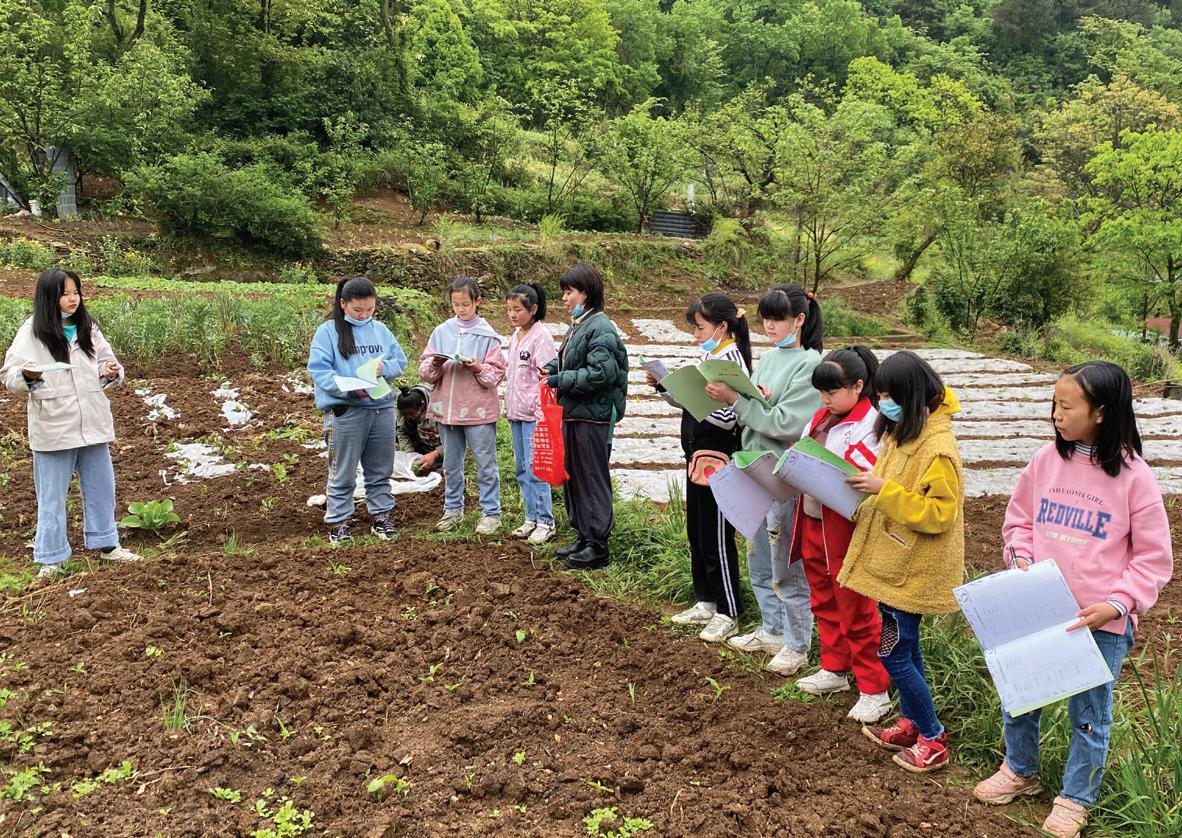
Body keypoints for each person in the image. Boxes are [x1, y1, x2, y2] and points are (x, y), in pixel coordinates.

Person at [972, 361, 1173, 838]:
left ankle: (1075, 798)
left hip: (1098, 621)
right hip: (1037, 610)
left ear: (1101, 412)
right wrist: (1019, 555)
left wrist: (1118, 604)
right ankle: (1019, 770)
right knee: (1020, 698)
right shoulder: (1046, 461)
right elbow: (1019, 520)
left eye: (1066, 405)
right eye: (1054, 404)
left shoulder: (1134, 477)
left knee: (1090, 714)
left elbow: (1153, 558)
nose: (1056, 414)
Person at [838, 350, 964, 774]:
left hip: (914, 569)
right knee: (908, 650)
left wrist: (882, 490)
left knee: (893, 653)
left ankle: (932, 735)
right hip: (893, 564)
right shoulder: (904, 432)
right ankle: (912, 722)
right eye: (880, 395)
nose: (882, 404)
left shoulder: (939, 450)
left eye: (890, 395)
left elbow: (939, 515)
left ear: (911, 395)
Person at [704, 283, 822, 677]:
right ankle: (771, 627)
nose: (769, 326)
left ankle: (796, 642)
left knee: (786, 558)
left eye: (778, 318)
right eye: (766, 319)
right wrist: (741, 398)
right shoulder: (771, 359)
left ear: (799, 319)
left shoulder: (809, 364)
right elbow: (759, 406)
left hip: (781, 473)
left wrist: (741, 401)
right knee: (758, 550)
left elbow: (786, 423)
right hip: (754, 465)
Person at [1, 267, 141, 582]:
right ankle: (51, 559)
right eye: (65, 294)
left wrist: (111, 370)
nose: (72, 299)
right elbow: (9, 374)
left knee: (102, 489)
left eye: (76, 292)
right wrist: (28, 376)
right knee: (51, 496)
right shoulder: (33, 332)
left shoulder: (88, 328)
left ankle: (108, 545)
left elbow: (109, 362)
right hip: (54, 425)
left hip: (92, 421)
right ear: (50, 298)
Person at [786, 346, 891, 723]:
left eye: (832, 392)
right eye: (822, 392)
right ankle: (834, 667)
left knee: (855, 605)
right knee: (823, 596)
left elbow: (867, 472)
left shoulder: (872, 424)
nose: (825, 399)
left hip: (844, 525)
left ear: (858, 386)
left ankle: (874, 688)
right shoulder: (821, 416)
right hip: (813, 518)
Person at [649, 293, 751, 643]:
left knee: (718, 536)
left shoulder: (730, 362)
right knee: (698, 529)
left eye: (700, 328)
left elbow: (728, 417)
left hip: (719, 458)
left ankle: (729, 611)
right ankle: (706, 599)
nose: (696, 334)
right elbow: (697, 403)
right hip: (697, 455)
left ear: (722, 326)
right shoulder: (711, 355)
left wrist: (697, 400)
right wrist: (668, 390)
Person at [308, 276, 407, 543]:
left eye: (369, 310)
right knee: (343, 470)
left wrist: (384, 369)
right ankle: (339, 522)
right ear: (343, 304)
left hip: (381, 408)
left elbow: (399, 360)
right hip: (346, 412)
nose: (364, 315)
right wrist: (349, 388)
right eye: (357, 310)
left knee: (380, 469)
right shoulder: (328, 332)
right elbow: (319, 370)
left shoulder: (381, 331)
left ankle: (382, 517)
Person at [542, 263, 628, 569]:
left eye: (569, 292)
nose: (564, 299)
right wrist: (552, 369)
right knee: (574, 476)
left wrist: (559, 380)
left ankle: (598, 545)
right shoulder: (581, 325)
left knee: (591, 477)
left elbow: (601, 373)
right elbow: (570, 359)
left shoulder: (601, 327)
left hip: (594, 418)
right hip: (576, 414)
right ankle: (583, 535)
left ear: (586, 294)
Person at [419, 276, 506, 536]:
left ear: (477, 302)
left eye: (465, 304)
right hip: (447, 410)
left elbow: (496, 374)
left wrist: (478, 367)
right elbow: (424, 371)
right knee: (452, 463)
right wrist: (435, 363)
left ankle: (491, 513)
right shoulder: (441, 331)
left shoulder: (487, 336)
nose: (460, 309)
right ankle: (452, 510)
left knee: (485, 462)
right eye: (456, 304)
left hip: (477, 410)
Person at [505, 282, 559, 545]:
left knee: (537, 469)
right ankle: (530, 517)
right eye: (509, 310)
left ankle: (546, 521)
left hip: (534, 416)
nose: (513, 315)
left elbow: (545, 380)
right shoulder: (516, 337)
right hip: (516, 414)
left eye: (518, 309)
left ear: (533, 309)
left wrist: (541, 416)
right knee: (521, 468)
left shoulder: (542, 338)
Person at [396, 384, 442, 474]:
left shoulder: (440, 407)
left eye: (412, 413)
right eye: (405, 414)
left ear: (422, 404)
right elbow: (402, 432)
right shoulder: (403, 408)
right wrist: (410, 455)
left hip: (442, 446)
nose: (409, 417)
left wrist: (436, 454)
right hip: (421, 444)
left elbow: (455, 441)